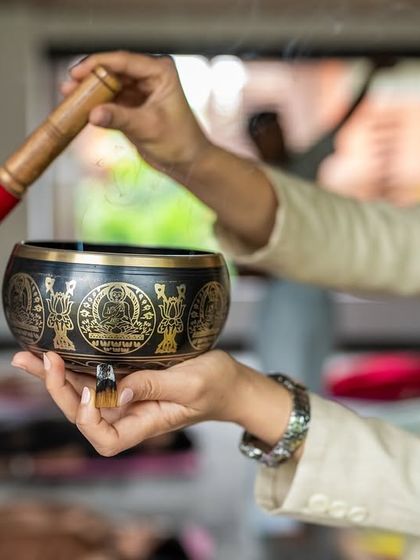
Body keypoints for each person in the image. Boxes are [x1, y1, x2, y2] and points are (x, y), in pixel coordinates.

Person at [10, 51, 420, 560]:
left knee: (301, 370)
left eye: (271, 131)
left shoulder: (308, 158)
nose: (267, 140)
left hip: (304, 298)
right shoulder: (282, 172)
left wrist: (244, 397)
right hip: (286, 297)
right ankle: (281, 517)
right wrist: (192, 157)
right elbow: (381, 240)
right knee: (287, 365)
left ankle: (283, 521)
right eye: (260, 133)